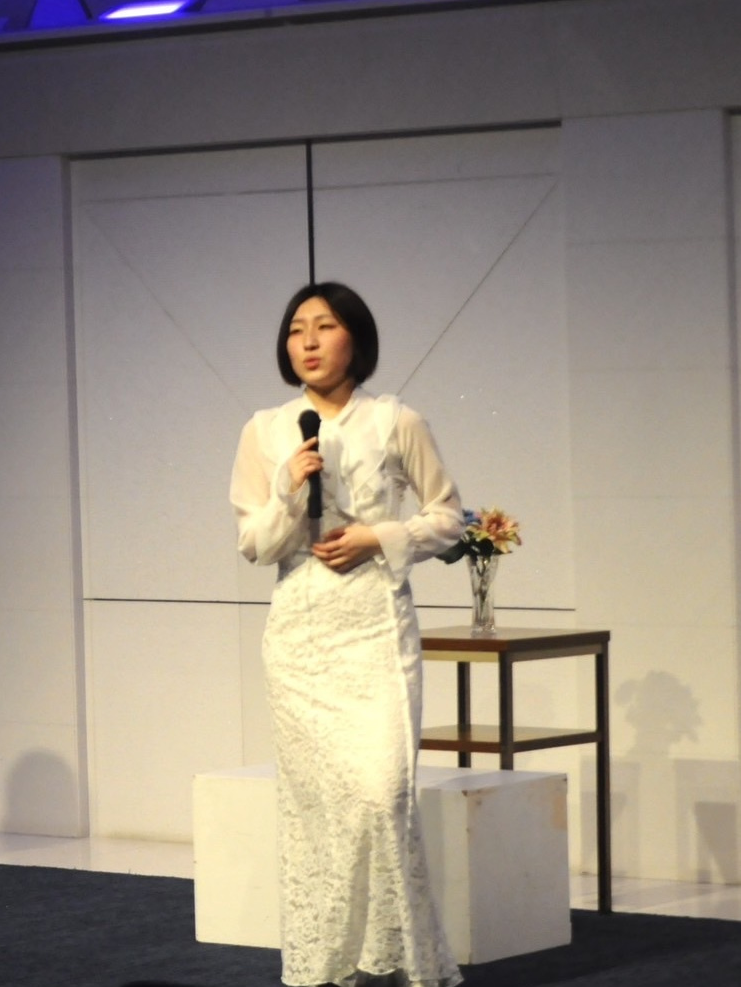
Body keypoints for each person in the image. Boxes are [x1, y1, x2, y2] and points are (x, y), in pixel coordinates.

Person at [230, 282, 464, 987]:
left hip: (374, 628)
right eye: (295, 329)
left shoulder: (396, 420)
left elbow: (449, 516)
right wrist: (284, 490)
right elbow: (253, 543)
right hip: (299, 636)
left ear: (354, 338)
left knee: (381, 794)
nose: (306, 341)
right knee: (320, 811)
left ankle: (398, 961)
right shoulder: (264, 430)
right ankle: (328, 966)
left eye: (324, 326)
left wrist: (376, 536)